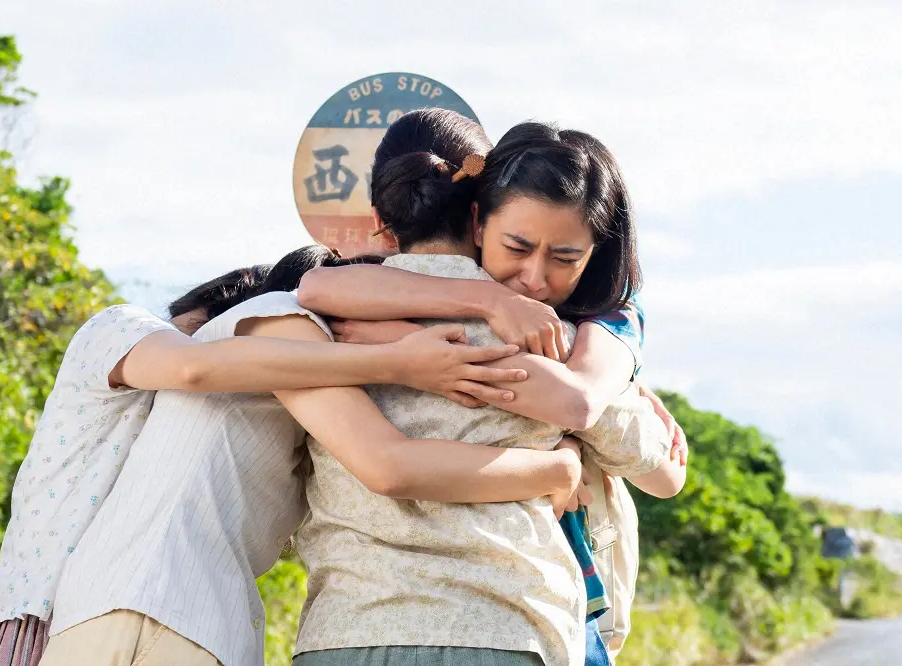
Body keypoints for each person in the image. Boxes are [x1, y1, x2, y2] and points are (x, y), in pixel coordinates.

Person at [0, 250, 568, 666]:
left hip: (142, 616)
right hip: (127, 610)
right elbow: (194, 366)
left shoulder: (238, 418)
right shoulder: (139, 330)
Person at [289, 110, 684, 666]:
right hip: (509, 624)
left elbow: (307, 291)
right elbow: (661, 466)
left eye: (565, 258)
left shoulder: (319, 322)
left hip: (347, 627)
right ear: (477, 219)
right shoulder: (556, 339)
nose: (535, 278)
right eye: (518, 248)